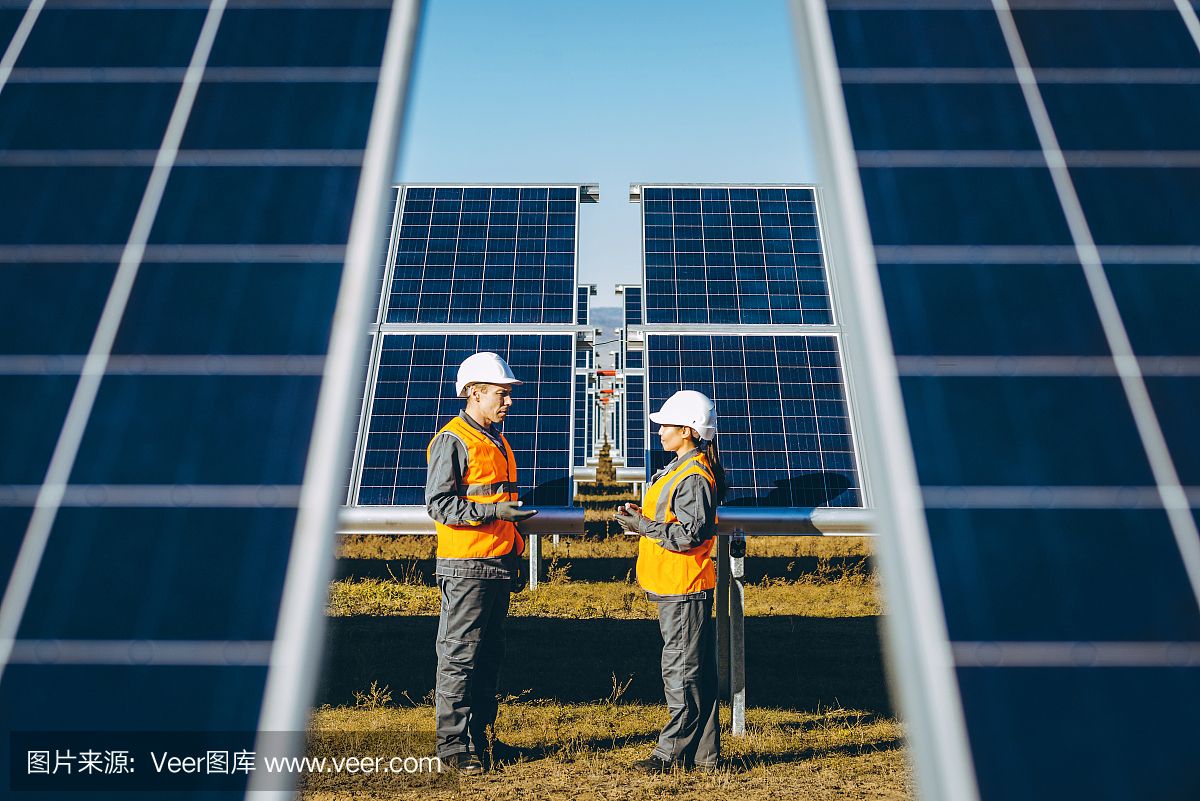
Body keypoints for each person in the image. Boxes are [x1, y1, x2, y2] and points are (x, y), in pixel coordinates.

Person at [426, 351, 538, 774]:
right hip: (466, 564)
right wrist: (494, 513)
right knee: (460, 655)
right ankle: (453, 747)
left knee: (488, 654)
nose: (508, 401)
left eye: (508, 394)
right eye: (501, 393)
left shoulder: (494, 436)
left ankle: (481, 739)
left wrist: (513, 541)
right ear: (474, 393)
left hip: (496, 562)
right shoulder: (453, 439)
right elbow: (439, 504)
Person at [613, 390, 726, 773]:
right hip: (676, 585)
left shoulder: (693, 476)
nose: (659, 431)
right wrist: (639, 518)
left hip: (683, 586)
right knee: (694, 673)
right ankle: (705, 759)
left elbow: (691, 535)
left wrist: (640, 525)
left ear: (688, 431)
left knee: (680, 672)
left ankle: (668, 756)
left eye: (666, 425)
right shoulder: (680, 468)